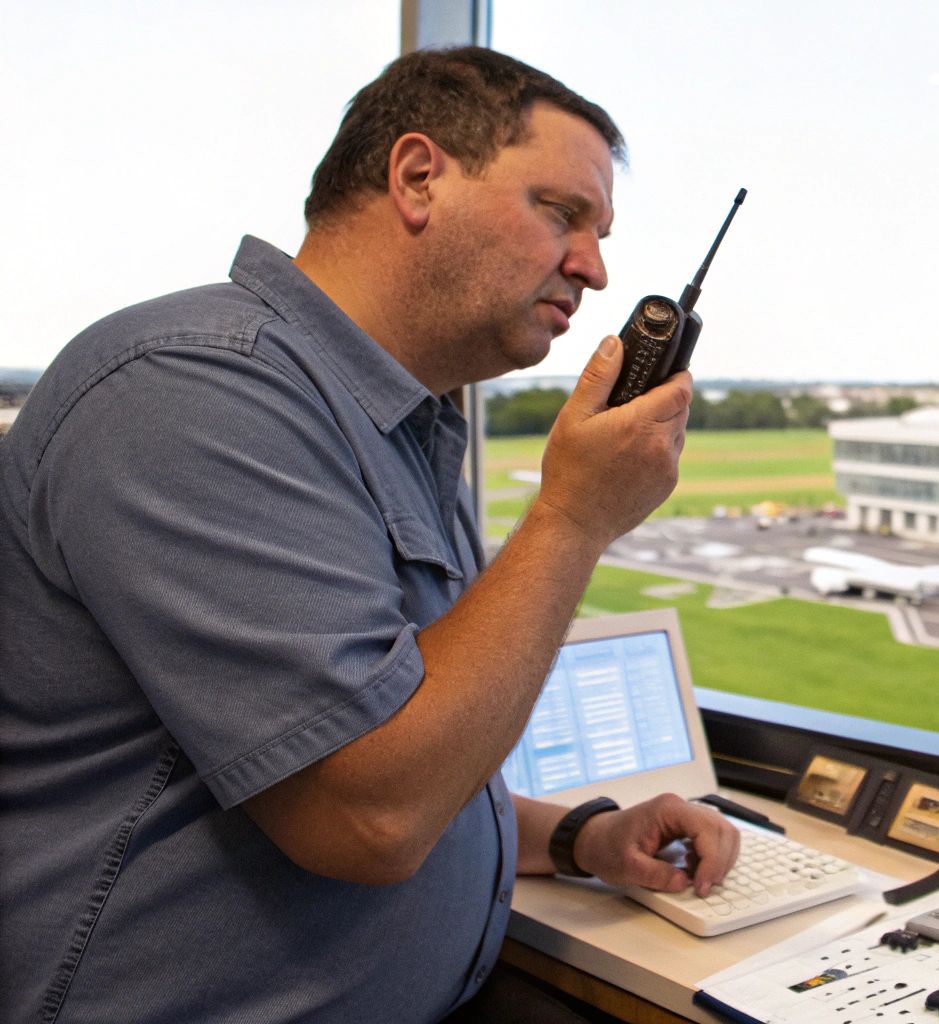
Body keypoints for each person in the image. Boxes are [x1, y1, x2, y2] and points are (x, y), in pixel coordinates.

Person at [0, 47, 738, 1023]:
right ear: (418, 177)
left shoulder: (403, 425)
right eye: (561, 213)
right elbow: (369, 815)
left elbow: (383, 749)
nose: (594, 270)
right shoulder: (189, 393)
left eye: (600, 233)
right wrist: (572, 516)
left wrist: (579, 839)